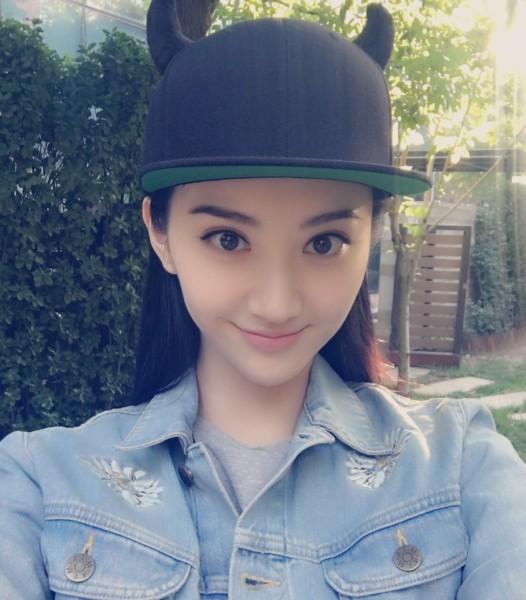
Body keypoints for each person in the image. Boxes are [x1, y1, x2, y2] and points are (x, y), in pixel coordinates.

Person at [1, 1, 526, 598]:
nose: (277, 304)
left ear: (371, 236)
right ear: (160, 233)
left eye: (324, 242)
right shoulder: (42, 486)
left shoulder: (463, 468)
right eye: (228, 239)